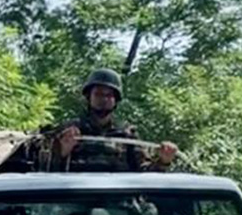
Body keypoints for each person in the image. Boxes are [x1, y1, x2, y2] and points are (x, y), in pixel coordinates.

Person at [41, 68, 178, 172]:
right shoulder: (68, 131)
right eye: (98, 94)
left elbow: (144, 175)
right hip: (74, 203)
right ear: (89, 97)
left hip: (117, 202)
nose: (104, 99)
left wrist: (163, 161)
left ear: (116, 100)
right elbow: (42, 171)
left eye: (109, 95)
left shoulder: (127, 134)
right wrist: (62, 152)